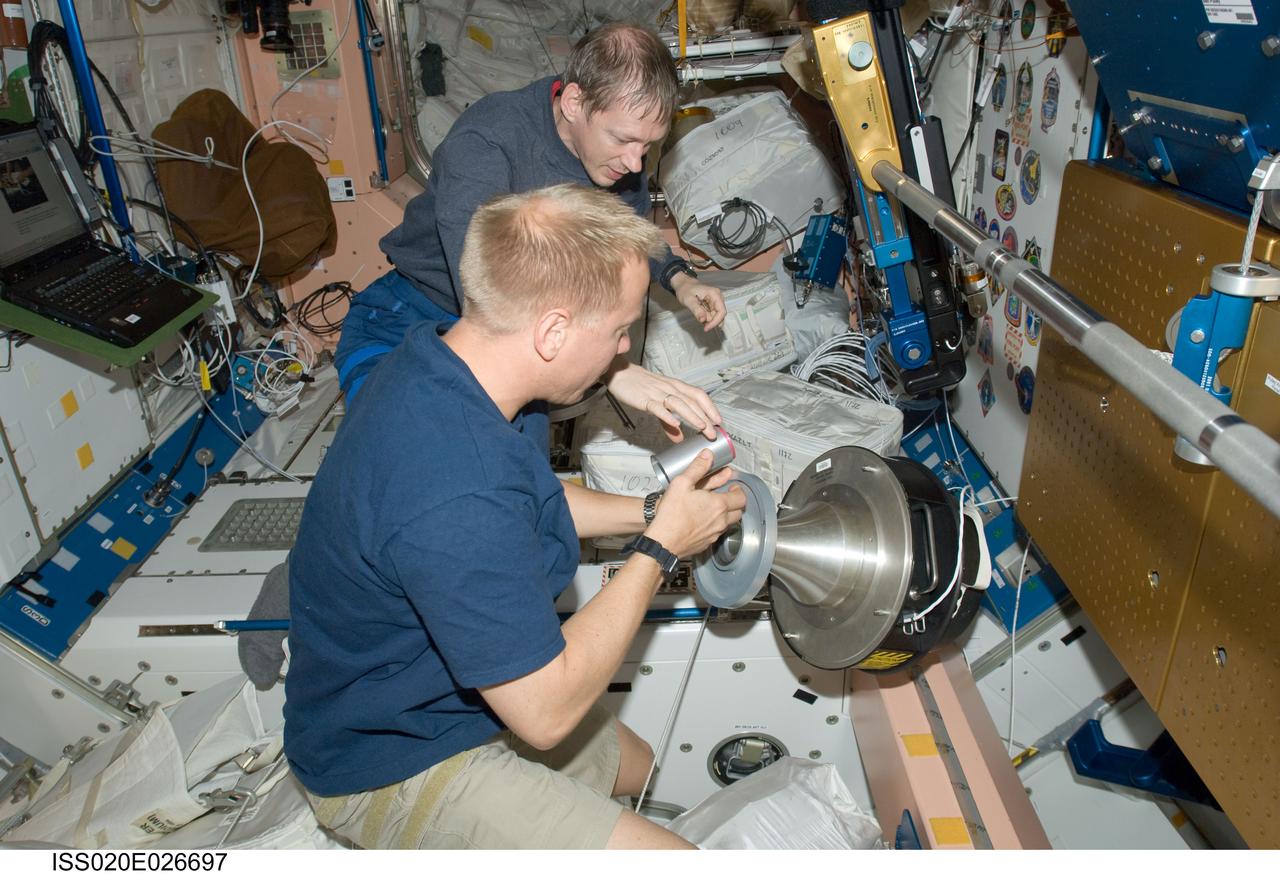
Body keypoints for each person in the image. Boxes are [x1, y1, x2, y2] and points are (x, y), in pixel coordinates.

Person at [284, 184, 747, 849]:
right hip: (387, 758)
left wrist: (652, 511)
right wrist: (659, 548)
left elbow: (531, 499)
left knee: (637, 765)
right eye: (619, 330)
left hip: (439, 698)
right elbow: (546, 713)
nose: (623, 352)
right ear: (553, 330)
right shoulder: (452, 487)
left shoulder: (438, 362)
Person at [335, 22, 727, 441]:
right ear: (575, 101)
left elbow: (628, 237)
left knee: (524, 476)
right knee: (421, 451)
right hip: (413, 318)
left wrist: (679, 279)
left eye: (647, 146)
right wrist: (612, 371)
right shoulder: (488, 141)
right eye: (624, 140)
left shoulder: (618, 152)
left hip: (524, 325)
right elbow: (485, 294)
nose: (635, 163)